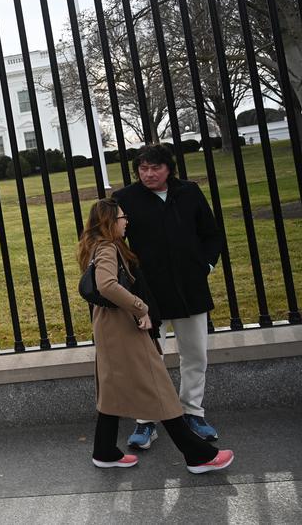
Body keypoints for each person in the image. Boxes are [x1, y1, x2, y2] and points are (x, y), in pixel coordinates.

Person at [78, 198, 234, 474]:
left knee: (112, 389)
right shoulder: (107, 247)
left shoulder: (95, 246)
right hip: (122, 328)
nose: (126, 222)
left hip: (108, 326)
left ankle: (104, 451)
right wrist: (141, 308)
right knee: (158, 386)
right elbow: (107, 285)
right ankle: (198, 455)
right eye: (122, 218)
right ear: (110, 221)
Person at [113, 144, 224, 448]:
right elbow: (113, 240)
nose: (148, 174)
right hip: (148, 294)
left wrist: (206, 266)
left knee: (195, 354)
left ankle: (193, 413)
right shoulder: (125, 199)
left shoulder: (189, 192)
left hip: (190, 288)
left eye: (155, 168)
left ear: (169, 169)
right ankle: (146, 421)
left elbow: (212, 234)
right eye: (143, 168)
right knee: (148, 359)